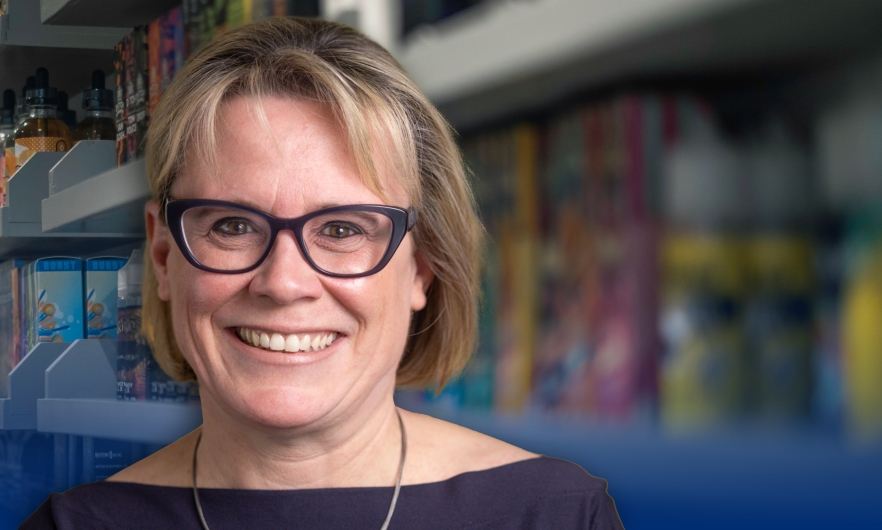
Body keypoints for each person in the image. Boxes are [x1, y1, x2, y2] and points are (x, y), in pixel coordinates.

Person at [22, 17, 623, 529]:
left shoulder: (555, 516)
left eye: (342, 230)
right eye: (232, 226)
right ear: (162, 256)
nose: (283, 283)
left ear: (424, 264)